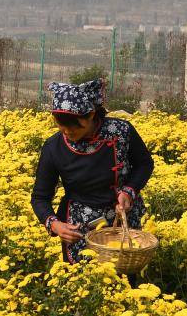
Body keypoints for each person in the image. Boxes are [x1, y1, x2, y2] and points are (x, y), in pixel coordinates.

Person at [31, 79, 154, 263]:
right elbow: (40, 197)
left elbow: (145, 164)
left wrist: (130, 190)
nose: (66, 131)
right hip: (80, 226)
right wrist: (55, 225)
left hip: (125, 221)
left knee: (127, 281)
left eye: (73, 125)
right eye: (60, 124)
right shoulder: (53, 147)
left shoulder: (120, 131)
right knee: (86, 283)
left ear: (90, 115)